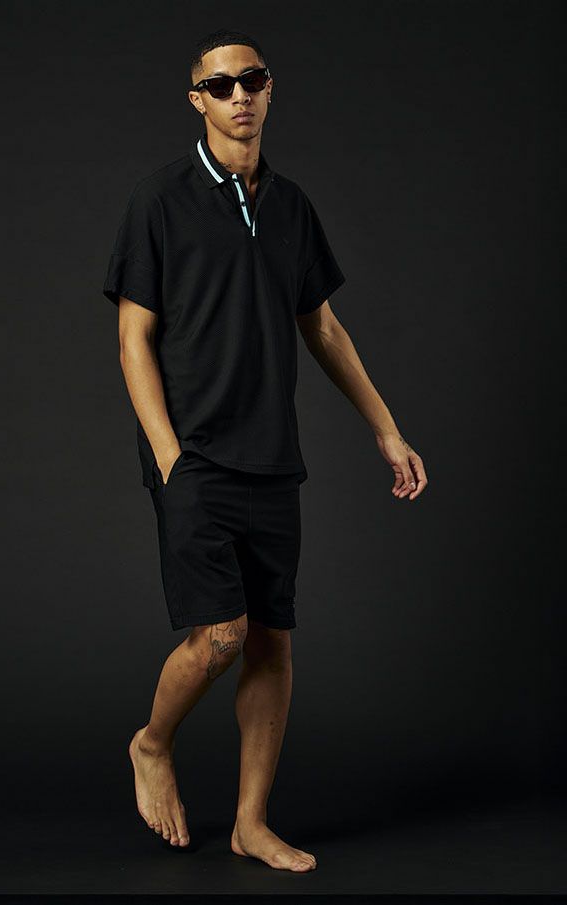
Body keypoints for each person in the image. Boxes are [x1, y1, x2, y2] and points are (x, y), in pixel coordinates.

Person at [102, 29, 428, 873]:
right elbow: (134, 339)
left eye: (253, 79)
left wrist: (387, 427)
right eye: (221, 85)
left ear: (270, 90)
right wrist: (168, 456)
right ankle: (151, 741)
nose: (240, 94)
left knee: (271, 641)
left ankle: (252, 822)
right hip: (194, 455)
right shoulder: (160, 199)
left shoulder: (290, 206)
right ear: (198, 101)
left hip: (273, 456)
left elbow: (323, 327)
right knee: (220, 633)